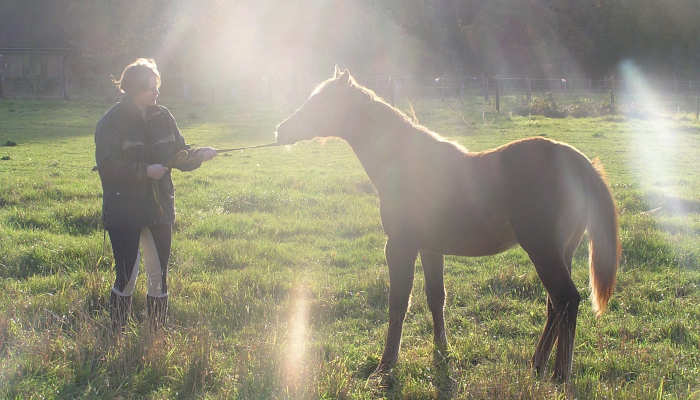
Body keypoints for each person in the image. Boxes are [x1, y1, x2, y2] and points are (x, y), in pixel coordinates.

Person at [94, 58, 217, 332]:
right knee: (126, 275)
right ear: (134, 89)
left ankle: (156, 335)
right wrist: (144, 171)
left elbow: (178, 154)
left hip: (160, 208)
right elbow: (107, 167)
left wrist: (199, 156)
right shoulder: (111, 122)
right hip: (124, 210)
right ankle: (116, 332)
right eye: (151, 88)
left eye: (157, 86)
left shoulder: (164, 117)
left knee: (159, 276)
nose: (156, 92)